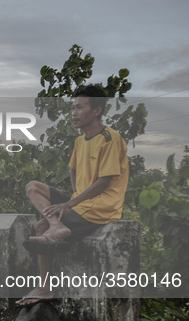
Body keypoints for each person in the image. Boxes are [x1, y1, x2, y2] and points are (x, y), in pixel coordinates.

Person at [16, 84, 129, 307]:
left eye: (79, 107)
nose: (74, 113)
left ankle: (45, 288)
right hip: (82, 200)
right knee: (33, 187)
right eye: (73, 108)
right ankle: (57, 227)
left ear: (96, 110)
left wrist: (70, 203)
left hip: (101, 206)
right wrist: (74, 196)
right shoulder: (80, 140)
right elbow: (73, 169)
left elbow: (104, 181)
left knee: (41, 228)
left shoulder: (109, 138)